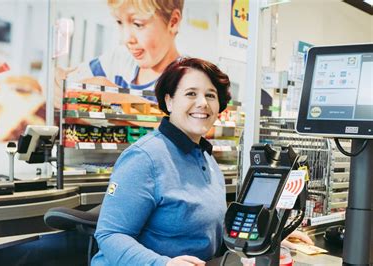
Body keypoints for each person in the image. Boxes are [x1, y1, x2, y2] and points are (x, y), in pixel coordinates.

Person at [92, 57, 314, 266]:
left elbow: (209, 225)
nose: (202, 103)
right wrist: (163, 263)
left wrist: (268, 236)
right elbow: (110, 235)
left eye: (210, 95)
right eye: (190, 93)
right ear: (169, 101)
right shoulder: (144, 158)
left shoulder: (205, 156)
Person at [56, 0, 183, 103]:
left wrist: (121, 100)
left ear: (173, 22)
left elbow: (184, 127)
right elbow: (66, 80)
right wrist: (57, 83)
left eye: (138, 24)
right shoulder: (116, 61)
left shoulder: (189, 77)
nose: (125, 39)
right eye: (119, 22)